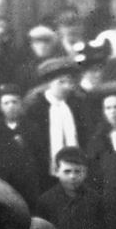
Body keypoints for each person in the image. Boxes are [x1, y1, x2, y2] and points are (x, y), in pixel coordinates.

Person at [23, 57, 90, 193]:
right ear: (49, 83)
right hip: (45, 166)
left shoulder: (77, 104)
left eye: (70, 82)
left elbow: (85, 133)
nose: (67, 87)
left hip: (75, 164)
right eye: (61, 82)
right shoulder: (36, 107)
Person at [0, 83, 40, 208]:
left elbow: (39, 154)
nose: (11, 106)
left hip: (27, 180)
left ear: (21, 104)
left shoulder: (31, 127)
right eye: (6, 103)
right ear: (0, 107)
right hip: (2, 179)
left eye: (14, 102)